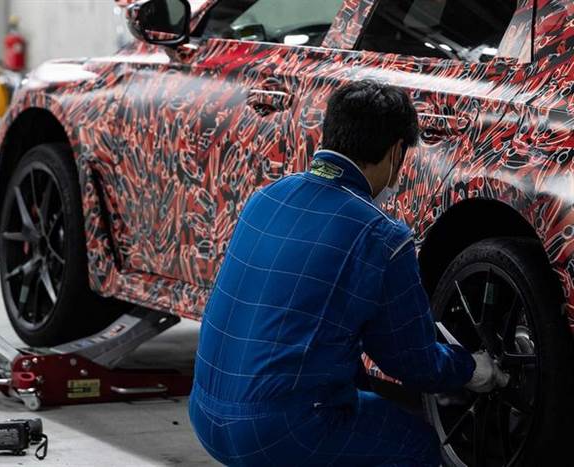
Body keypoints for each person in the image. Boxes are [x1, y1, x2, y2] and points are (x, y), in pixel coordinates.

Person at [189, 80, 508, 466]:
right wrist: (473, 369)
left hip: (205, 415)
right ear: (396, 151)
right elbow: (412, 363)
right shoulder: (381, 236)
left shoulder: (265, 198)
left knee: (352, 385)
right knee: (417, 444)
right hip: (275, 431)